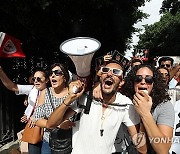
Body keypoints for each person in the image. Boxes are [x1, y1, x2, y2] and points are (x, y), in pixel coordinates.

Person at [46, 60, 147, 154]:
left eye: (116, 72)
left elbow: (141, 148)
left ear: (121, 82)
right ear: (101, 77)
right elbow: (50, 124)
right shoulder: (86, 98)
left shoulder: (126, 105)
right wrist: (69, 99)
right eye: (106, 70)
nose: (110, 73)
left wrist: (143, 114)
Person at [121, 64, 175, 154]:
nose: (143, 82)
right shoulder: (125, 102)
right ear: (133, 82)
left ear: (154, 83)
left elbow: (163, 150)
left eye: (148, 79)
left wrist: (145, 113)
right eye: (138, 78)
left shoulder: (164, 105)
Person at [0, 65, 49, 154]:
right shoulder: (32, 89)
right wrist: (1, 73)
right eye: (34, 79)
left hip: (47, 131)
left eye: (39, 79)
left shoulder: (53, 92)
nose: (36, 81)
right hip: (33, 128)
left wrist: (36, 116)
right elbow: (12, 86)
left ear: (46, 80)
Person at [33, 63, 78, 154]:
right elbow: (37, 119)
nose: (53, 75)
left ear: (65, 77)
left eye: (57, 73)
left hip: (71, 141)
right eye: (50, 73)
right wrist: (57, 124)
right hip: (49, 141)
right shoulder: (45, 92)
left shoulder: (73, 93)